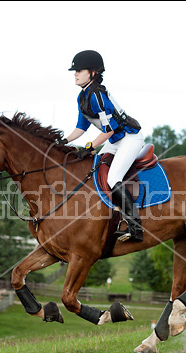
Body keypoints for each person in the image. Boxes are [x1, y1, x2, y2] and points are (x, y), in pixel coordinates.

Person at [63, 50, 144, 242]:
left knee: (114, 177)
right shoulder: (82, 96)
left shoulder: (97, 95)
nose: (75, 73)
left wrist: (90, 146)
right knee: (96, 170)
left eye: (79, 70)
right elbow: (80, 128)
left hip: (130, 138)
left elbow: (108, 130)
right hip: (115, 140)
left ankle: (135, 228)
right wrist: (63, 142)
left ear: (92, 72)